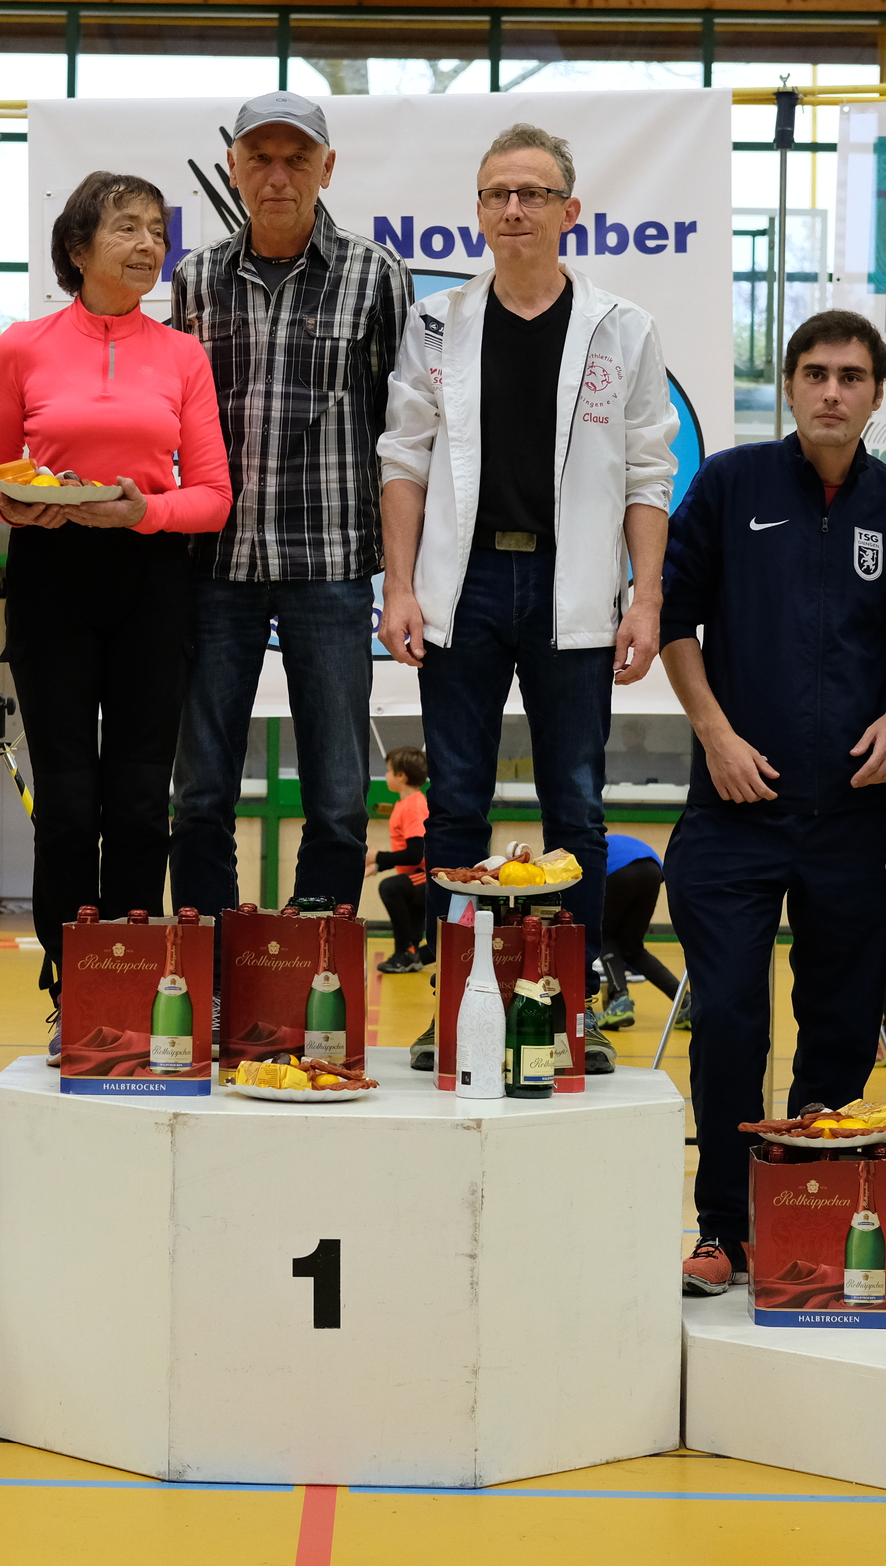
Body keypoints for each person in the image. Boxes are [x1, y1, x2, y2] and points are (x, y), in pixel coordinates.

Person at [378, 122, 678, 1077]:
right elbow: (403, 457)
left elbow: (648, 471)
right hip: (461, 585)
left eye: (533, 194)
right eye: (497, 194)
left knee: (575, 811)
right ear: (478, 211)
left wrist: (646, 598)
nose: (513, 209)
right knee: (455, 811)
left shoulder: (622, 327)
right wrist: (398, 586)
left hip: (572, 584)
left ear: (569, 212)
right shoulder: (436, 323)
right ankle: (457, 1009)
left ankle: (570, 1007)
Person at [660, 310, 886, 1296]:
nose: (831, 391)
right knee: (731, 1018)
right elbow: (673, 619)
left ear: (876, 393)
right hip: (735, 809)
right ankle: (722, 1229)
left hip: (856, 815)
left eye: (851, 376)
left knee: (841, 1028)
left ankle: (803, 1223)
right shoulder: (731, 484)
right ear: (788, 384)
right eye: (815, 373)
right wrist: (715, 735)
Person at [0, 172, 232, 1018]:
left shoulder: (183, 354)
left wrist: (143, 511)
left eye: (158, 229)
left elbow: (213, 498)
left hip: (151, 580)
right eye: (127, 227)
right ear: (78, 249)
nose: (149, 244)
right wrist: (15, 505)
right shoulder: (23, 346)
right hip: (51, 577)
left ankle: (134, 982)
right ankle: (72, 986)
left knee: (140, 799)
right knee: (69, 802)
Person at [170, 93, 411, 921]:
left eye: (296, 159)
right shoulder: (195, 277)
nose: (277, 176)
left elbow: (403, 429)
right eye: (260, 158)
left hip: (332, 566)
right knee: (200, 790)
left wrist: (403, 571)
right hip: (214, 564)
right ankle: (207, 960)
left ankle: (315, 965)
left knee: (339, 793)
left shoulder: (377, 276)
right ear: (233, 167)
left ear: (327, 169)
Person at [594, 831, 680, 1029]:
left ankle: (620, 1000)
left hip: (618, 871)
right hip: (653, 870)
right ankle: (686, 1002)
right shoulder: (606, 842)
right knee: (632, 949)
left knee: (604, 936)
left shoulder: (580, 853)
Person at [374, 745, 433, 973]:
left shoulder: (414, 806)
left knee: (391, 888)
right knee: (402, 890)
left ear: (401, 776)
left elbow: (415, 854)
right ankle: (412, 954)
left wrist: (378, 857)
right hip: (415, 875)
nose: (386, 775)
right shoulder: (404, 804)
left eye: (389, 771)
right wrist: (377, 865)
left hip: (425, 875)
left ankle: (405, 953)